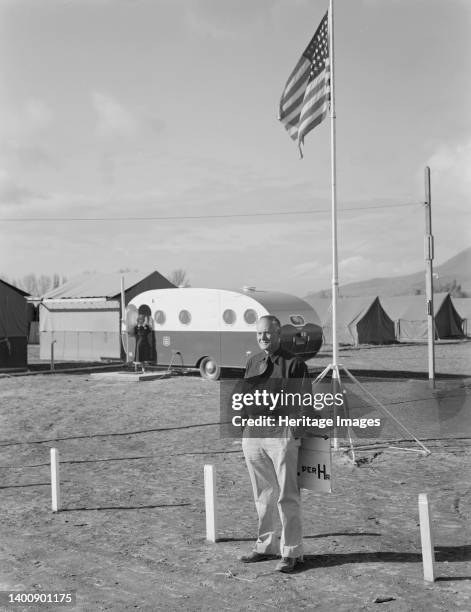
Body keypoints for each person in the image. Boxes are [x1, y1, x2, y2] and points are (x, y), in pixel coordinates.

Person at [238, 315, 308, 573]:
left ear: (279, 334)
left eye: (267, 333)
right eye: (259, 334)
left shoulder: (294, 364)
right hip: (254, 434)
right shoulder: (253, 362)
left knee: (287, 494)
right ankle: (266, 545)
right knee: (263, 493)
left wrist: (292, 432)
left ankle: (291, 552)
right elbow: (244, 395)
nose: (262, 338)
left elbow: (302, 400)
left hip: (281, 433)